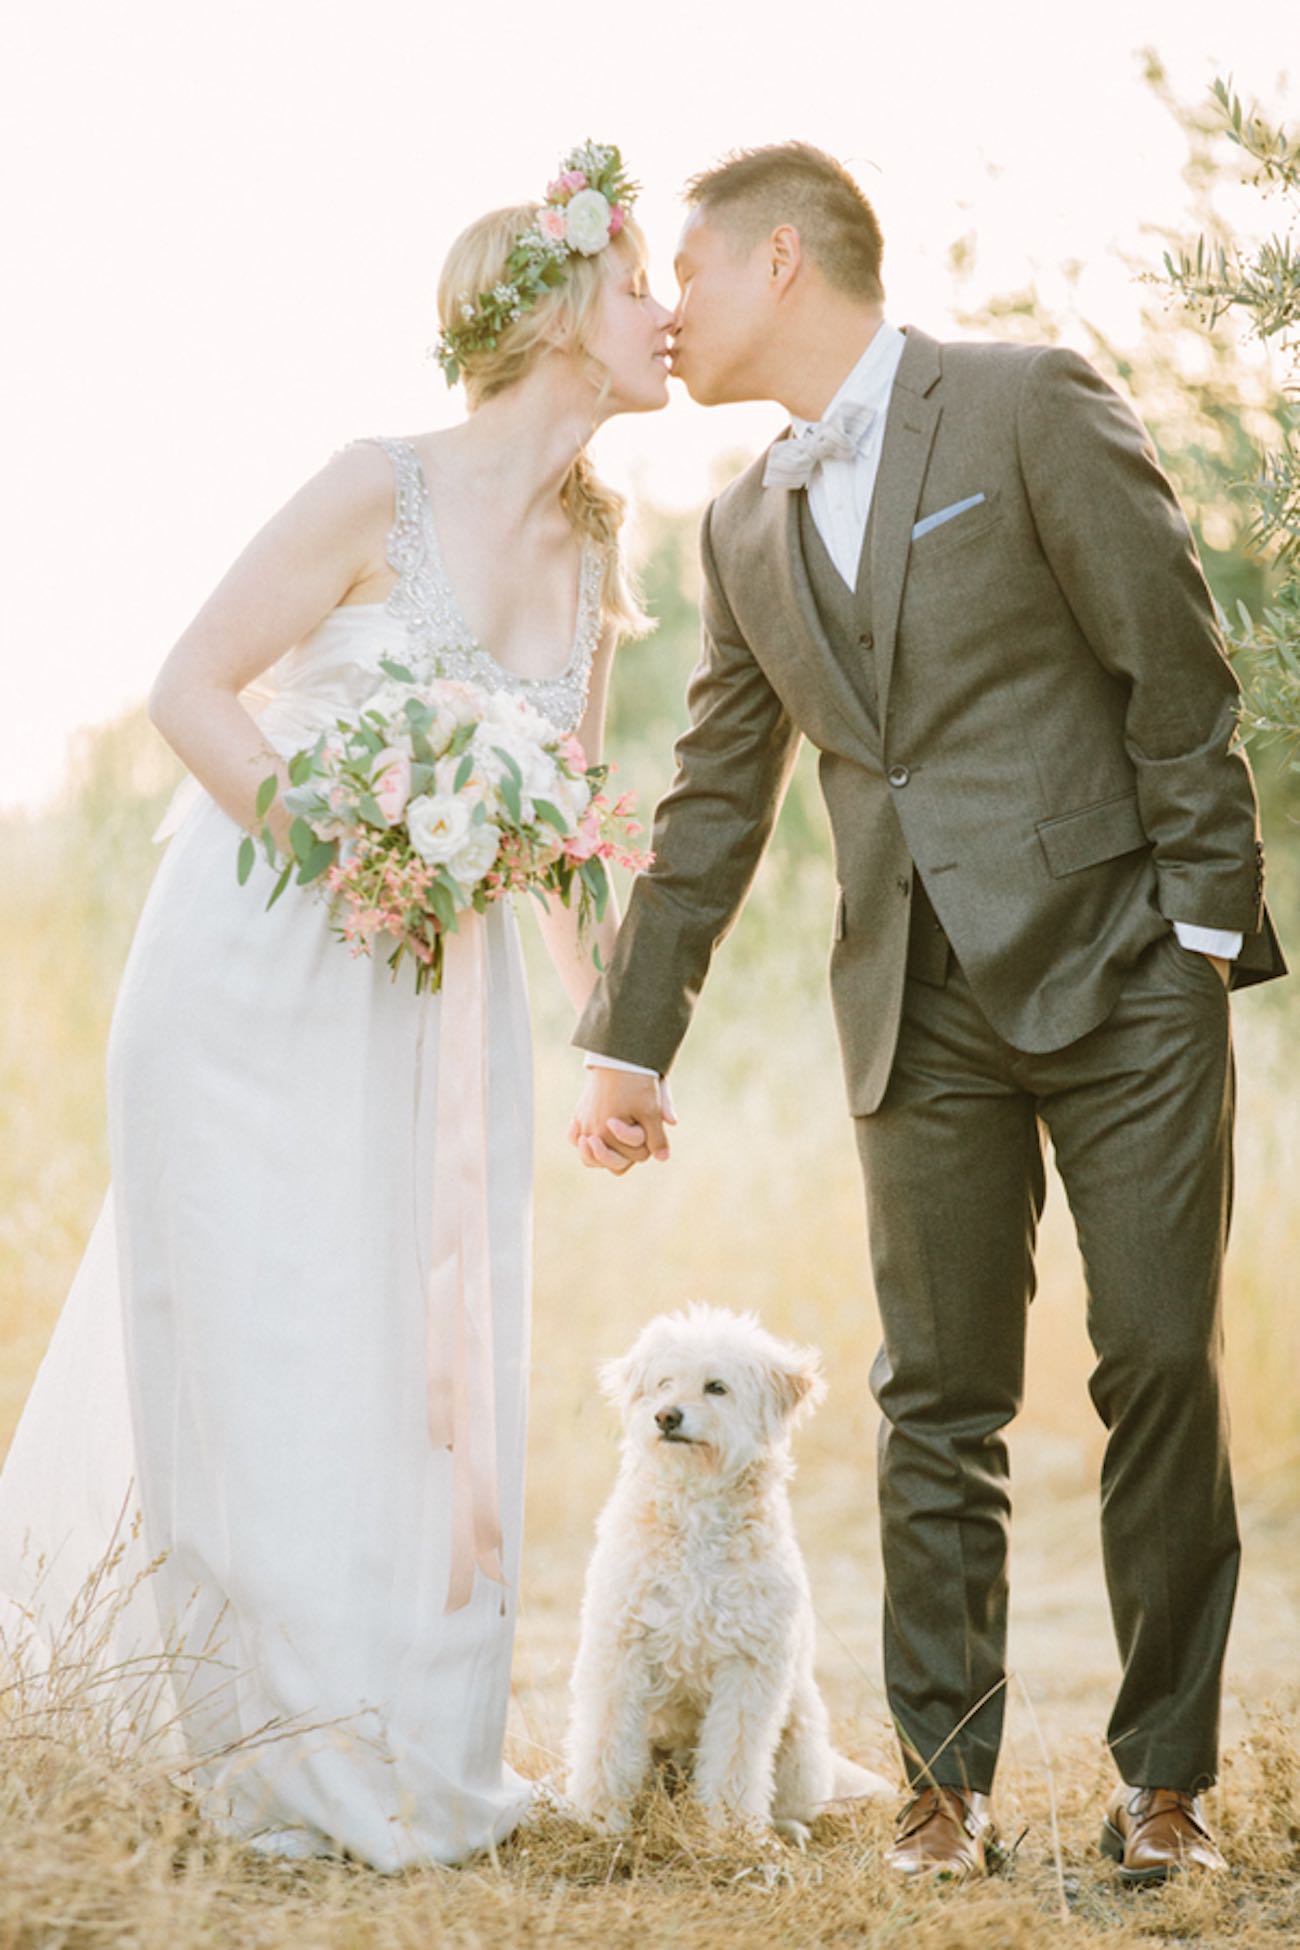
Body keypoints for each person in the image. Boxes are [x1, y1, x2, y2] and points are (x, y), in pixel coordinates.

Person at [571, 141, 1286, 1885]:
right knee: (934, 1401)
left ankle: (1166, 1784)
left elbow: (1173, 665)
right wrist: (629, 1033)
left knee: (1158, 1369)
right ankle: (941, 1790)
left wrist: (1197, 932)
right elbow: (718, 802)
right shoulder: (744, 522)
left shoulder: (1029, 403)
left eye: (692, 266)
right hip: (914, 1006)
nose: (671, 306)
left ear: (786, 259)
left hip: (1125, 980)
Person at [0, 142, 675, 1870]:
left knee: (427, 1357)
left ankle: (417, 1745)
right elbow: (188, 687)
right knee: (280, 1343)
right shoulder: (369, 485)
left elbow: (577, 825)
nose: (667, 317)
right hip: (254, 969)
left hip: (443, 1011)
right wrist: (349, 844)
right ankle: (279, 1755)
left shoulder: (603, 553)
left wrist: (614, 1021)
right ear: (552, 318)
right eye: (640, 283)